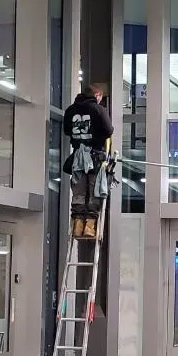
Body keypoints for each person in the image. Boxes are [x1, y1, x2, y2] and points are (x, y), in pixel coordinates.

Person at [62, 82, 114, 239]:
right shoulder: (98, 110)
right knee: (93, 190)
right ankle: (89, 227)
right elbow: (108, 130)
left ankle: (77, 226)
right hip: (95, 157)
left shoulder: (70, 110)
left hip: (77, 157)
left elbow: (66, 130)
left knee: (78, 190)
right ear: (97, 95)